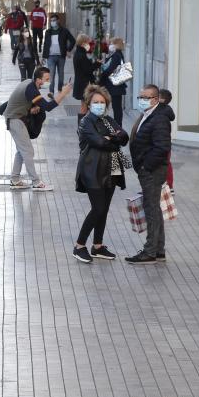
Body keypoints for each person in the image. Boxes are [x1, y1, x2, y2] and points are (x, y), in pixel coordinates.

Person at [73, 85, 130, 263]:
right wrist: (112, 139)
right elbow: (99, 142)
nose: (99, 105)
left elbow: (124, 137)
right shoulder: (86, 122)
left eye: (102, 102)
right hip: (92, 169)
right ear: (89, 104)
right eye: (96, 102)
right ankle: (79, 245)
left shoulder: (108, 120)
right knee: (97, 208)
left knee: (103, 210)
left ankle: (97, 246)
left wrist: (110, 138)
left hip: (111, 169)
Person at [3, 67, 73, 191]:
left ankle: (15, 180)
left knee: (22, 150)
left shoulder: (30, 84)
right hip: (15, 120)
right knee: (28, 151)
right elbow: (48, 106)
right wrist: (63, 93)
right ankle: (36, 182)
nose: (48, 81)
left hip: (15, 118)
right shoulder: (31, 89)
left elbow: (24, 101)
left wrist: (32, 108)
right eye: (46, 79)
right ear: (38, 80)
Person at [126, 84, 173, 264]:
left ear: (155, 99)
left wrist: (146, 167)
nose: (141, 100)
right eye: (140, 97)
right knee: (154, 208)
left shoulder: (159, 118)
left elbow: (162, 147)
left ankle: (150, 252)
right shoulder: (149, 114)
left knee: (151, 210)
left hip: (152, 171)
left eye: (145, 98)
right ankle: (158, 250)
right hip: (148, 170)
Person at [72, 34, 101, 126]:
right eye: (88, 42)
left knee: (84, 105)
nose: (89, 44)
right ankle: (82, 127)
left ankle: (83, 126)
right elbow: (87, 70)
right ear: (83, 43)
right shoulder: (81, 55)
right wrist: (97, 64)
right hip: (83, 84)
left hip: (81, 83)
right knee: (84, 107)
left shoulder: (79, 53)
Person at [41, 14, 75, 92]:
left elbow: (73, 40)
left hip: (61, 56)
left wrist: (68, 50)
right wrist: (43, 56)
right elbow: (46, 44)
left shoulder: (64, 31)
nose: (52, 22)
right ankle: (51, 92)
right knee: (51, 75)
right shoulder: (48, 32)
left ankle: (60, 89)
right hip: (50, 57)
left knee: (61, 74)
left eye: (54, 20)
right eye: (51, 21)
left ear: (58, 21)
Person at [99, 37, 127, 126]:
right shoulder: (116, 54)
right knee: (116, 107)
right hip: (115, 85)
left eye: (111, 43)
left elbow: (110, 69)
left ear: (116, 44)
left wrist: (102, 74)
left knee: (117, 107)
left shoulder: (116, 55)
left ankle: (118, 126)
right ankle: (118, 125)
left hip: (115, 85)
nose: (110, 45)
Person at [158, 89, 175, 192]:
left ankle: (168, 185)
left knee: (165, 164)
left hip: (162, 143)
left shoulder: (160, 110)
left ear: (162, 99)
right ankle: (168, 185)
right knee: (166, 164)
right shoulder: (167, 110)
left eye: (157, 96)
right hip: (166, 143)